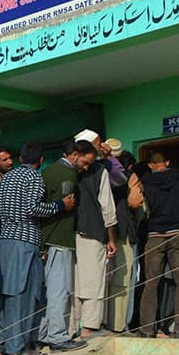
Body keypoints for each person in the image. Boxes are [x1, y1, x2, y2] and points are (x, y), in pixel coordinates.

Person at [0, 142, 74, 355]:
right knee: (23, 295)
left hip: (5, 241)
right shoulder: (34, 177)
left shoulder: (7, 177)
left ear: (19, 159)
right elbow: (32, 208)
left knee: (4, 295)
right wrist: (60, 206)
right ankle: (18, 349)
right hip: (24, 241)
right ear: (40, 161)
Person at [138, 152, 179, 339]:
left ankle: (147, 329)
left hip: (155, 235)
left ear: (150, 165)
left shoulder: (144, 183)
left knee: (151, 283)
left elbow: (145, 212)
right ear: (167, 162)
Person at [38, 140, 92, 352]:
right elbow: (66, 203)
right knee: (60, 291)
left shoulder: (48, 171)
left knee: (47, 293)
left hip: (48, 240)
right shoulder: (67, 175)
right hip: (59, 239)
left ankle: (43, 334)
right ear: (75, 154)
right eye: (85, 162)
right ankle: (58, 337)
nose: (85, 168)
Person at [72, 130, 117, 339]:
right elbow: (107, 207)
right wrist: (111, 238)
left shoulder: (67, 170)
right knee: (94, 281)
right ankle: (89, 327)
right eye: (98, 143)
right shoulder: (99, 170)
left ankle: (71, 327)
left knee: (75, 282)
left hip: (70, 234)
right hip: (93, 232)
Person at [105, 150, 145, 333]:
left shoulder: (100, 174)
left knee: (108, 281)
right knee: (124, 280)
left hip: (105, 234)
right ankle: (120, 325)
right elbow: (137, 203)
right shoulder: (130, 177)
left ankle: (107, 323)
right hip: (124, 232)